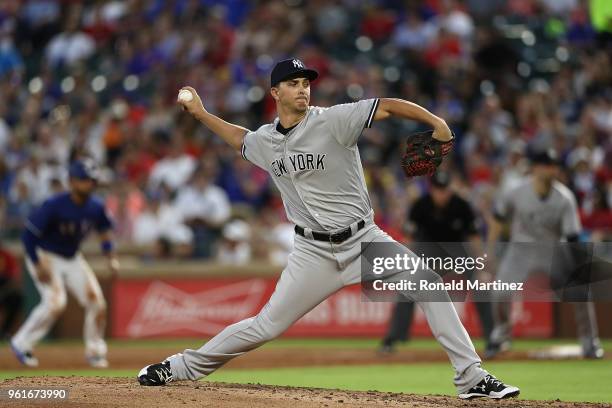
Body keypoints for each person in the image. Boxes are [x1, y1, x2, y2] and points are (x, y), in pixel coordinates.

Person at [137, 58, 519, 399]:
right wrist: (201, 114)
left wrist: (435, 122)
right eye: (293, 83)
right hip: (312, 254)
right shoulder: (267, 142)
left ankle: (471, 377)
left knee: (428, 282)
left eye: (306, 82)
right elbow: (240, 138)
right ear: (275, 92)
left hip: (365, 240)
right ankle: (180, 367)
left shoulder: (334, 119)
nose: (303, 88)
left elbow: (387, 106)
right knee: (265, 326)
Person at [485, 149, 604, 359]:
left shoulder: (564, 197)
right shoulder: (516, 191)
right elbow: (498, 217)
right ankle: (500, 336)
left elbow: (573, 237)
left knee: (580, 292)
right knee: (500, 291)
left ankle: (590, 343)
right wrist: (491, 250)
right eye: (546, 165)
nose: (551, 170)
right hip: (520, 249)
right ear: (535, 168)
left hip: (553, 251)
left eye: (553, 166)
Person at [9, 159, 118, 368]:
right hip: (45, 254)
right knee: (56, 302)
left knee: (97, 302)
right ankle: (21, 342)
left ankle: (95, 351)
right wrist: (36, 262)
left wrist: (110, 257)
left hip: (72, 257)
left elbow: (105, 231)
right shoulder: (55, 205)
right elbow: (29, 235)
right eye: (84, 180)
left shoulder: (96, 207)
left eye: (92, 180)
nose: (89, 184)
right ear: (72, 181)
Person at [379, 171, 493, 354]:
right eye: (438, 189)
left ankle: (492, 339)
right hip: (428, 251)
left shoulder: (461, 205)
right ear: (432, 189)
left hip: (457, 250)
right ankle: (393, 338)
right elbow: (409, 238)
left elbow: (474, 237)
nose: (442, 193)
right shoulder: (420, 206)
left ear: (450, 188)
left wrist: (481, 267)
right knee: (407, 287)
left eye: (445, 189)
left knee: (481, 286)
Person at [0, 240, 23, 338]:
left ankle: (5, 332)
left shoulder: (6, 256)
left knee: (16, 298)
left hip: (5, 290)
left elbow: (14, 277)